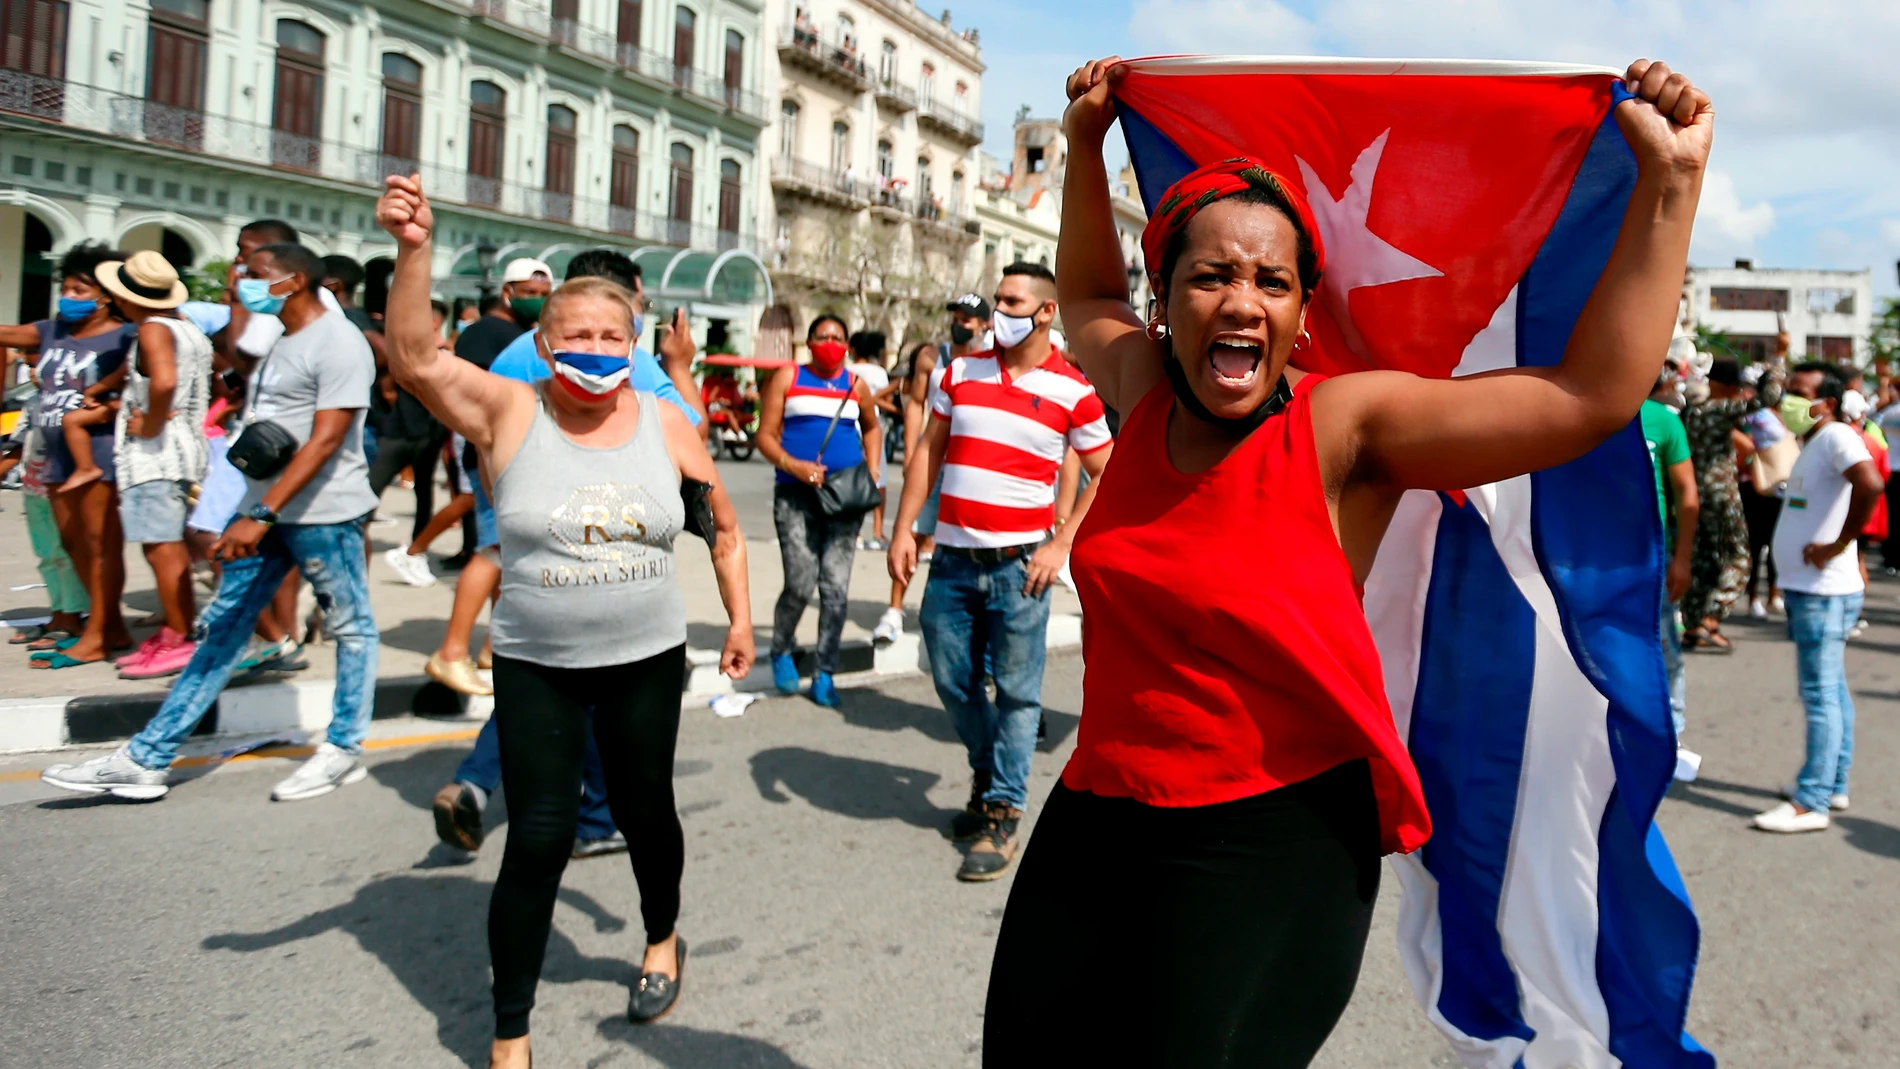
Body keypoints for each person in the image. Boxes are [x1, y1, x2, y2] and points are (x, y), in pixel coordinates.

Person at [969, 57, 1714, 1066]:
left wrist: (1669, 188)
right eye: (1210, 274)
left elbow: (1588, 394)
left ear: (1301, 314)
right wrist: (1086, 145)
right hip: (1098, 813)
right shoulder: (1140, 391)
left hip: (1269, 842)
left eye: (1270, 280)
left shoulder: (1342, 429)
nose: (1241, 300)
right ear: (1170, 299)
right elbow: (1089, 292)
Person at [375, 173, 753, 1068]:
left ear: (634, 343)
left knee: (644, 810)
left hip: (647, 660)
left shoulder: (666, 422)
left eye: (610, 335)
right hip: (538, 662)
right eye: (575, 334)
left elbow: (725, 527)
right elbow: (416, 360)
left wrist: (738, 620)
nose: (593, 347)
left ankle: (662, 937)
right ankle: (511, 1034)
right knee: (538, 839)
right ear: (544, 345)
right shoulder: (509, 408)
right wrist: (414, 251)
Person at [42, 241, 382, 801]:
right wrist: (246, 512)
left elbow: (326, 440)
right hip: (264, 514)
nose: (240, 282)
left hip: (322, 514)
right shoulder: (284, 337)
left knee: (352, 628)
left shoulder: (340, 341)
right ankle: (147, 759)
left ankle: (344, 748)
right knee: (221, 630)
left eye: (252, 274)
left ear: (293, 281)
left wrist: (260, 514)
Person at [888, 265, 1112, 881]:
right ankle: (990, 776)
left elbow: (1108, 469)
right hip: (953, 563)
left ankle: (1003, 811)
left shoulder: (1074, 390)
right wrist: (904, 528)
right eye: (998, 300)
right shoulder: (959, 371)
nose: (999, 310)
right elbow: (928, 453)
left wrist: (1061, 543)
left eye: (1012, 301)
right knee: (952, 682)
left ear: (1045, 312)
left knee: (1017, 695)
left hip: (1021, 569)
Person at [1753, 363, 1884, 833]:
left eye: (1798, 392)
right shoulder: (1818, 441)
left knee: (1820, 691)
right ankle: (1831, 782)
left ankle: (1812, 801)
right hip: (1814, 589)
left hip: (1822, 591)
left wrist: (1837, 545)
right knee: (1831, 688)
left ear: (1826, 403)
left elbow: (1871, 484)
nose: (1788, 399)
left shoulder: (1835, 438)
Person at [0, 243, 135, 668]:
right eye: (68, 287)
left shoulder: (127, 335)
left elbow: (143, 388)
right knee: (74, 542)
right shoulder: (52, 330)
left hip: (98, 451)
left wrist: (109, 407)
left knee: (101, 546)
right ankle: (106, 624)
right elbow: (7, 333)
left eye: (81, 289)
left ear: (107, 295)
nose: (70, 297)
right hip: (57, 453)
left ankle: (100, 630)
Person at [97, 251, 214, 680]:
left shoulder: (152, 329)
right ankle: (178, 629)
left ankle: (178, 636)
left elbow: (163, 382)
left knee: (161, 547)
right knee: (172, 547)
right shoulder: (189, 329)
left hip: (156, 453)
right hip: (185, 446)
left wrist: (145, 424)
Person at [757, 314, 884, 707]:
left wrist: (873, 468)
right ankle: (781, 647)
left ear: (847, 345)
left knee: (835, 588)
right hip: (796, 496)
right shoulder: (788, 377)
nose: (830, 342)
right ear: (808, 341)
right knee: (800, 580)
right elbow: (764, 435)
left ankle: (824, 672)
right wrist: (792, 465)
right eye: (822, 336)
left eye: (838, 337)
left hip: (844, 498)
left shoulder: (855, 384)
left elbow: (873, 426)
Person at [874, 298, 991, 646]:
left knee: (959, 543)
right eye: (955, 317)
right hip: (935, 459)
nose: (959, 324)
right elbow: (915, 407)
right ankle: (894, 610)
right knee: (910, 531)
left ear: (984, 325)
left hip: (972, 463)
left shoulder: (991, 360)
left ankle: (955, 616)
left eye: (967, 320)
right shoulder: (931, 358)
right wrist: (911, 453)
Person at [1680, 356, 1778, 652]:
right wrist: (1778, 362)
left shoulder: (1692, 411)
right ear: (1727, 386)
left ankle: (1693, 624)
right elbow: (1770, 397)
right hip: (1722, 492)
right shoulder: (1720, 408)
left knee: (1705, 560)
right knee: (1739, 557)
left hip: (1696, 490)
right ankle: (1711, 618)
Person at [1642, 369, 1700, 780]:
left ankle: (1671, 734)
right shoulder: (1588, 416)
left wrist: (1682, 558)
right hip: (1590, 557)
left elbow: (1687, 494)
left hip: (1651, 554)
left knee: (1664, 646)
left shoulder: (1663, 421)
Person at [847, 329, 897, 550]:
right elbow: (883, 400)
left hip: (851, 427)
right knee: (879, 480)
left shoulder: (847, 370)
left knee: (853, 479)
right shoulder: (878, 373)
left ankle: (854, 531)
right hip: (874, 428)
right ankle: (877, 531)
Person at [51, 351, 125, 493]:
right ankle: (85, 468)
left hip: (128, 400)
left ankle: (86, 468)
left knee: (71, 420)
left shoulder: (143, 340)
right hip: (117, 396)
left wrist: (92, 392)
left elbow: (121, 373)